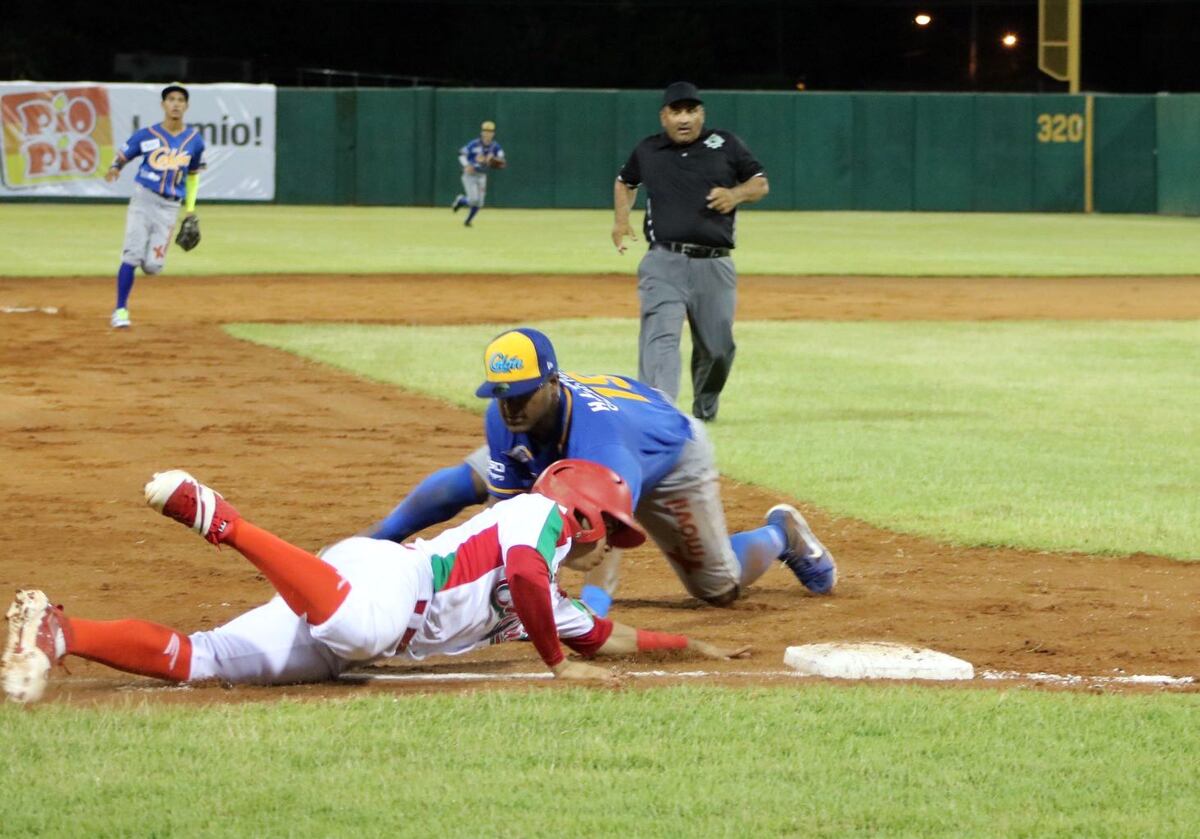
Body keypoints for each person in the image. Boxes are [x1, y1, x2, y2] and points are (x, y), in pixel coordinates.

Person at [1, 462, 749, 704]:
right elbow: (523, 573)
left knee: (206, 661)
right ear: (580, 511)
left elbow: (604, 635)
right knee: (362, 630)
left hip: (358, 606)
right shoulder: (534, 517)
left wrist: (692, 647)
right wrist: (555, 664)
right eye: (609, 527)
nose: (607, 543)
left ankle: (59, 630)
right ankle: (223, 521)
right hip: (386, 582)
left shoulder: (548, 595)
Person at [364, 327, 837, 617]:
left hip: (666, 452)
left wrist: (592, 612)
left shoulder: (604, 445)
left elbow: (603, 539)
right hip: (578, 438)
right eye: (501, 395)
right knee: (473, 478)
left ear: (552, 383)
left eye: (522, 394)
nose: (510, 407)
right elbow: (502, 514)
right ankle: (372, 540)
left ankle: (781, 534)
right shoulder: (510, 413)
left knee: (718, 589)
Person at [612, 81, 769, 423]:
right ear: (663, 117)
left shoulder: (725, 144)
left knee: (718, 349)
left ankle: (705, 407)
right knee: (660, 339)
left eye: (691, 110)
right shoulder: (648, 149)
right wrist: (621, 220)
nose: (684, 118)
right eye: (676, 111)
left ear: (702, 114)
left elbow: (760, 183)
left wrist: (735, 195)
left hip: (714, 265)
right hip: (663, 262)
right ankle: (659, 416)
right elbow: (625, 181)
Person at [103, 83, 206, 329]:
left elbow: (193, 177)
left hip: (170, 206)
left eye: (180, 100)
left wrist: (190, 209)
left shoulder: (194, 141)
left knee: (152, 267)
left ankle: (142, 263)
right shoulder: (148, 135)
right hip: (144, 199)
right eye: (171, 99)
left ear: (186, 106)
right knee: (132, 255)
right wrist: (115, 167)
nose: (176, 104)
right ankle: (120, 310)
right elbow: (124, 154)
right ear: (163, 105)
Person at [451, 120, 505, 227]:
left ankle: (468, 221)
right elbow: (461, 154)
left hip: (482, 176)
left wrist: (497, 159)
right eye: (486, 131)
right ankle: (461, 200)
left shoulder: (495, 146)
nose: (488, 133)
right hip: (470, 175)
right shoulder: (474, 144)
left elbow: (501, 157)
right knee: (473, 200)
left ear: (493, 134)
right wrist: (466, 165)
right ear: (482, 132)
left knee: (480, 203)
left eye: (490, 131)